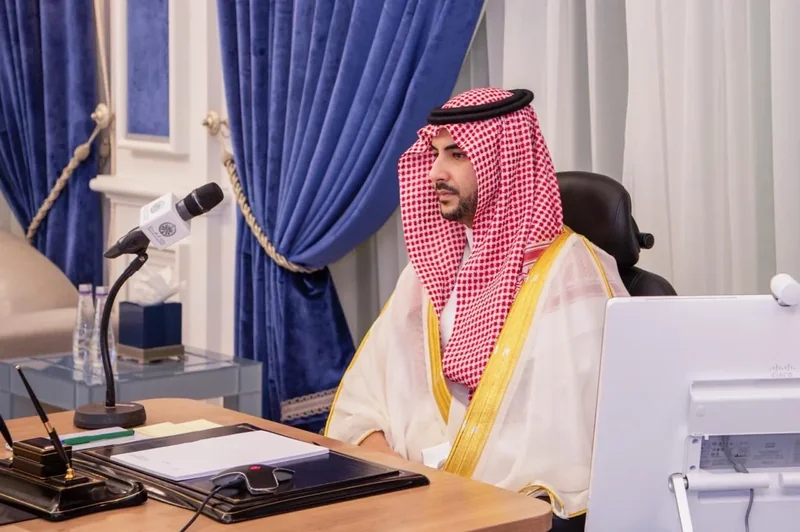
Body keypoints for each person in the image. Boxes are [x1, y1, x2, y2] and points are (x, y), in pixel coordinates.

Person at [324, 87, 628, 530]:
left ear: (502, 162)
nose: (435, 172)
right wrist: (393, 475)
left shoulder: (570, 276)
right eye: (434, 154)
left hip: (498, 510)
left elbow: (564, 451)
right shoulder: (431, 266)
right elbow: (367, 395)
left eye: (457, 155)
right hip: (410, 498)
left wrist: (438, 495)